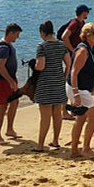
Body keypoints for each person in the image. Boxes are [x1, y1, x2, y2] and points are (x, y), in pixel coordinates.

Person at [67, 22, 94, 158]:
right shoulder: (83, 50)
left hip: (79, 88)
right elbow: (73, 72)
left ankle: (74, 150)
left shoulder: (89, 49)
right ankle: (85, 148)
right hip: (78, 89)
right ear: (87, 35)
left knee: (81, 118)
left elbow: (93, 71)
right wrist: (76, 94)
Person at [33, 21, 71, 152]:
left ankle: (40, 145)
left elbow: (40, 66)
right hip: (59, 83)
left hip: (45, 83)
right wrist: (64, 77)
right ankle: (55, 141)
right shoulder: (61, 45)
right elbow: (68, 63)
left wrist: (34, 65)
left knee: (45, 117)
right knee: (57, 114)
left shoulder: (42, 47)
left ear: (42, 32)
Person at [0, 23, 22, 144]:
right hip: (3, 81)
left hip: (10, 79)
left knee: (14, 102)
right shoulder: (3, 47)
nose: (18, 37)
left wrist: (13, 80)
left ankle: (10, 129)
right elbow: (0, 67)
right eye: (17, 34)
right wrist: (10, 81)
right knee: (3, 106)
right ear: (11, 33)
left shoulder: (8, 45)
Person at [61, 4, 91, 120]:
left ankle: (73, 108)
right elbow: (64, 37)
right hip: (72, 56)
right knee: (69, 82)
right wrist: (73, 50)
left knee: (75, 81)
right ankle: (64, 111)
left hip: (76, 56)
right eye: (87, 11)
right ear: (83, 12)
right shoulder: (74, 23)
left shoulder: (81, 23)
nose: (88, 14)